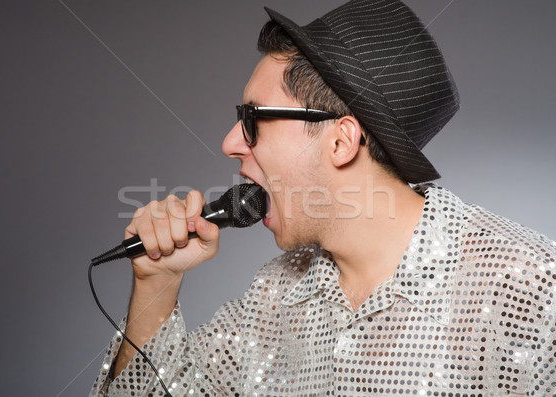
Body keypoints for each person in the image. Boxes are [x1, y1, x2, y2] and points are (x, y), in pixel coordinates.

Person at [90, 1, 556, 395]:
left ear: (341, 141)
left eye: (252, 118)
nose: (231, 141)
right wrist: (156, 284)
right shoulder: (275, 295)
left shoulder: (531, 290)